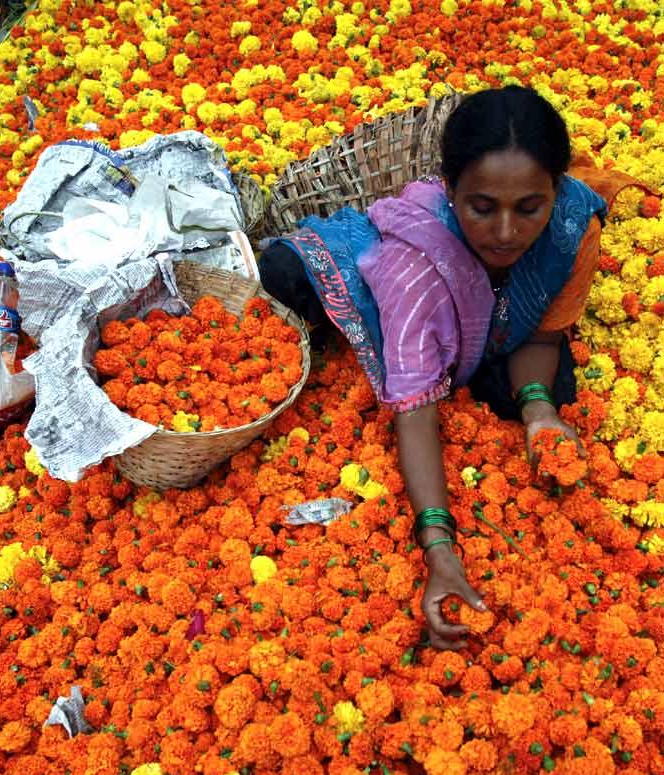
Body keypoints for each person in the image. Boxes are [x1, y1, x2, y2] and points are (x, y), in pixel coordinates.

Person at [258, 85, 639, 650]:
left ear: (556, 191)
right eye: (482, 207)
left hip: (478, 304)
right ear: (450, 190)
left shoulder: (571, 227)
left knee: (545, 392)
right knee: (286, 277)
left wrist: (538, 412)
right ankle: (332, 278)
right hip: (379, 271)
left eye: (529, 207)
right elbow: (415, 415)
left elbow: (544, 331)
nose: (506, 231)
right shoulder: (416, 275)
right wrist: (439, 547)